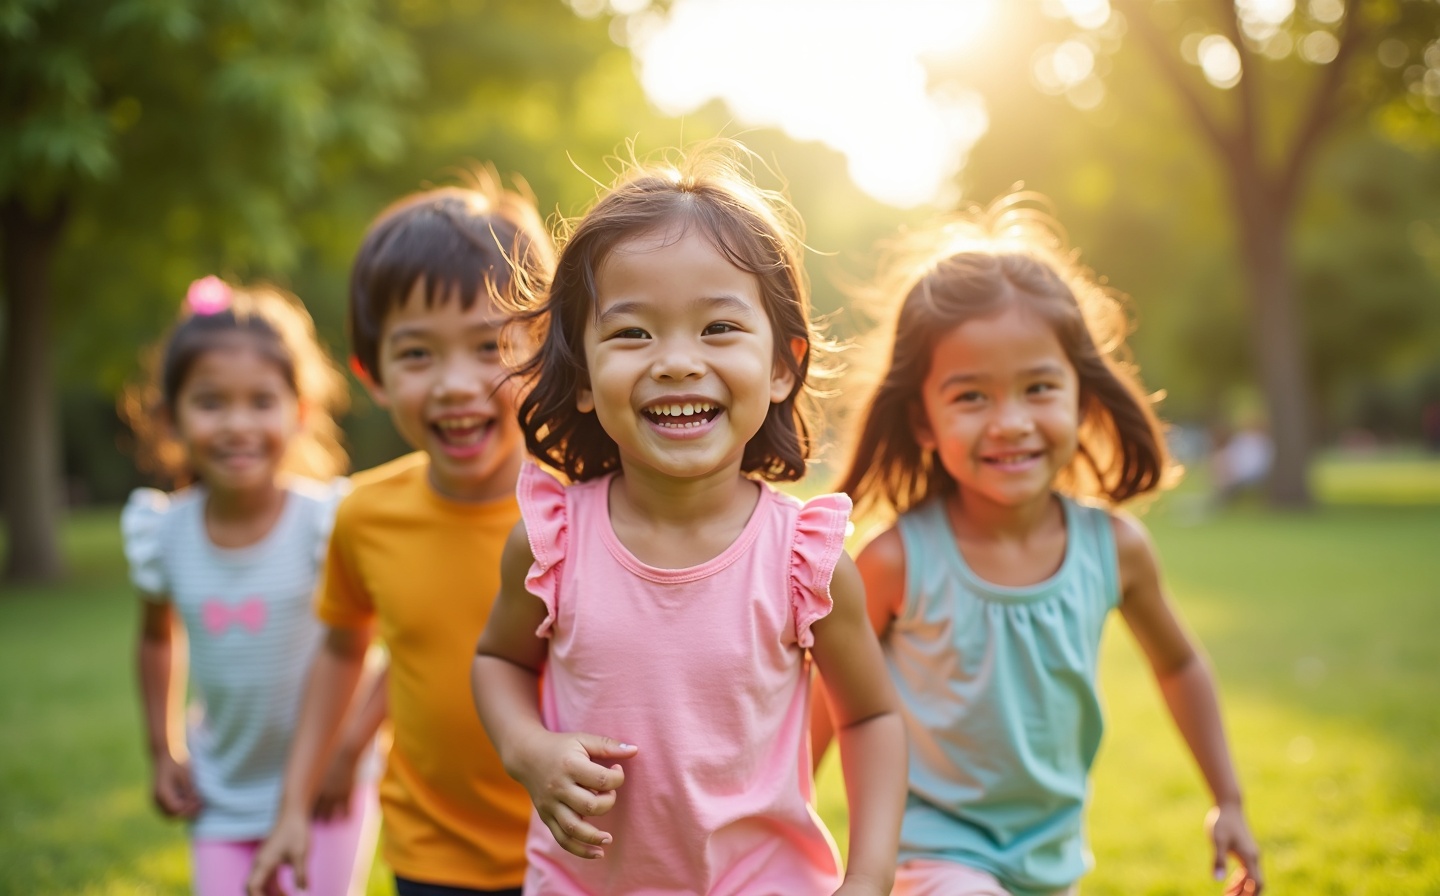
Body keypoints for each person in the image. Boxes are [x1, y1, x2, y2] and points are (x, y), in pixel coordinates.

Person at [471, 146, 907, 896]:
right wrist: (528, 750)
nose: (676, 361)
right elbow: (498, 663)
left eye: (718, 329)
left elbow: (871, 719)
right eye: (633, 333)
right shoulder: (553, 544)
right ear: (580, 375)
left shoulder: (803, 559)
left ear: (781, 366)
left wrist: (868, 877)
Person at [818, 197, 1264, 896]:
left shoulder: (1115, 549)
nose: (1011, 422)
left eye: (1039, 388)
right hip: (929, 848)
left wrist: (1228, 799)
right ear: (924, 419)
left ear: (1082, 399)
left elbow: (1179, 665)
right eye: (971, 397)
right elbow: (831, 696)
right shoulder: (897, 562)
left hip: (1051, 855)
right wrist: (789, 814)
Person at [246, 182, 556, 896]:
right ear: (373, 374)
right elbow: (343, 650)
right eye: (418, 355)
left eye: (488, 346)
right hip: (429, 854)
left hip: (576, 853)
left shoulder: (589, 509)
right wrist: (294, 804)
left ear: (540, 349)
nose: (455, 384)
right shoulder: (364, 516)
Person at [121, 276, 379, 896]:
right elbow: (158, 638)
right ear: (171, 417)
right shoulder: (163, 531)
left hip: (324, 783)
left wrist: (351, 746)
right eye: (211, 403)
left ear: (301, 411)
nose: (238, 424)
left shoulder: (325, 522)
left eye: (261, 401)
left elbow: (373, 640)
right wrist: (163, 749)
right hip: (223, 788)